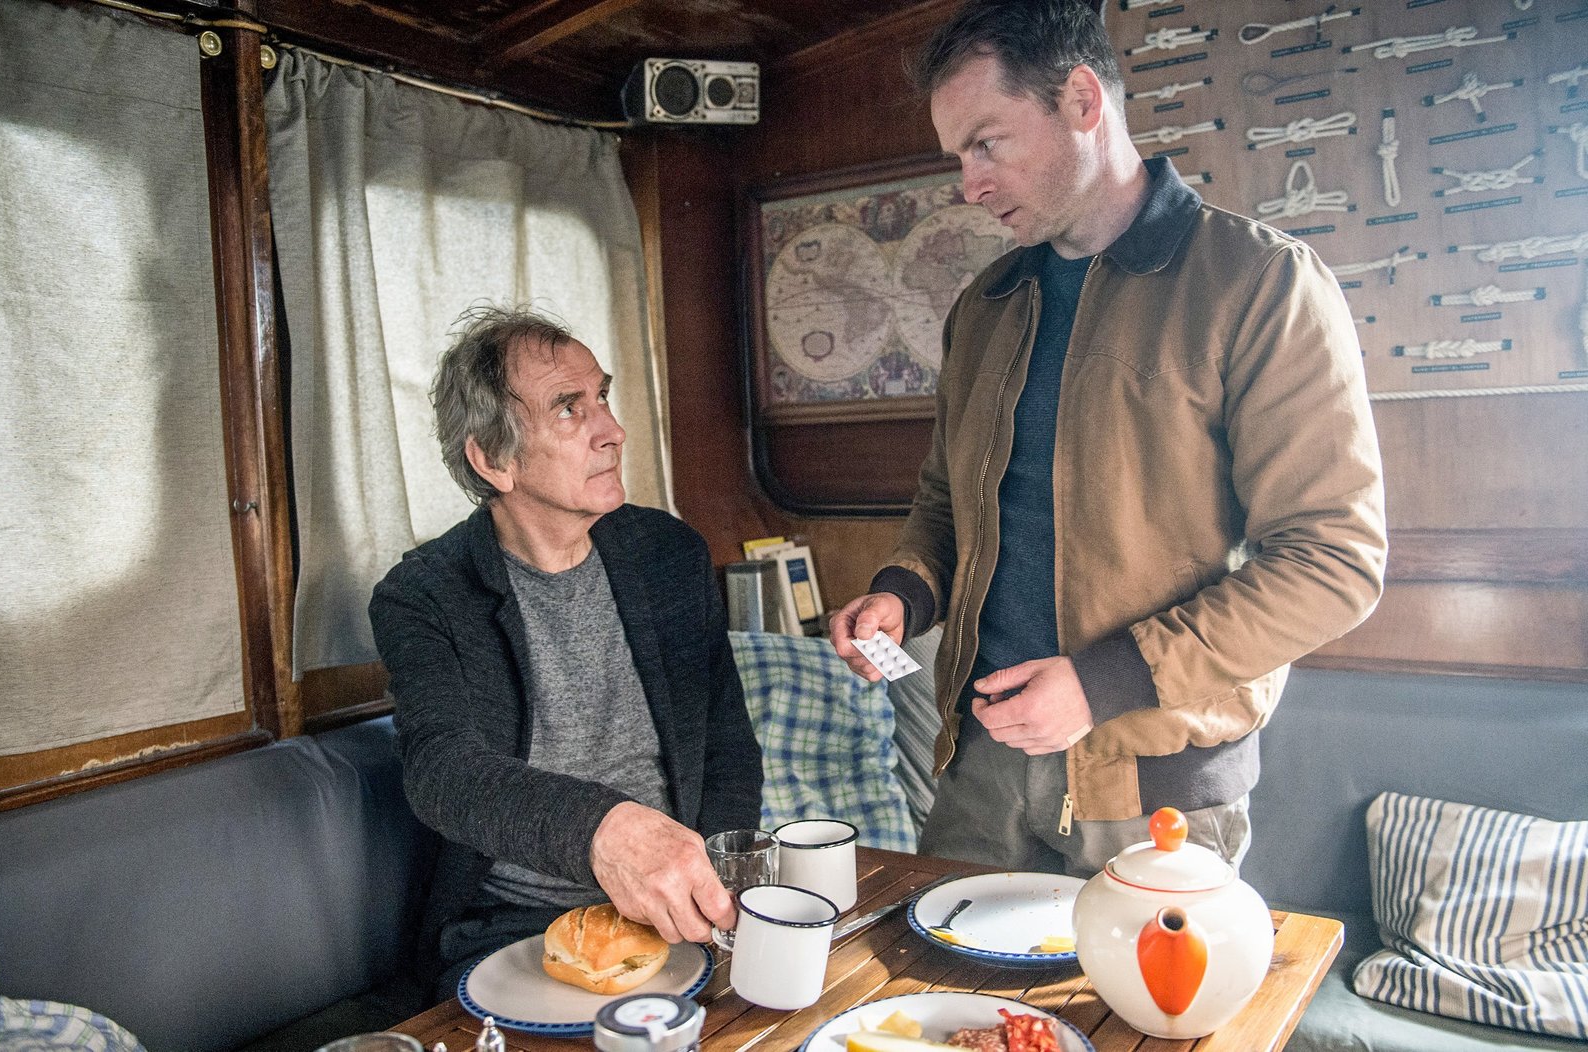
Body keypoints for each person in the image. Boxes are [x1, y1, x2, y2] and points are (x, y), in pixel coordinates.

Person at [831, 0, 1387, 877]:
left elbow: (1332, 563)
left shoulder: (1263, 283)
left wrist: (1102, 684)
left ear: (1083, 101)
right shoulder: (984, 306)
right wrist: (906, 593)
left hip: (1154, 791)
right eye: (958, 157)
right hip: (976, 773)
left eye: (987, 144)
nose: (970, 186)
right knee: (931, 977)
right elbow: (946, 500)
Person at [369, 305, 763, 997]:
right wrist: (606, 830)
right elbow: (442, 770)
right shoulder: (423, 595)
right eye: (568, 409)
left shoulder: (669, 554)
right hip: (514, 929)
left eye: (602, 397)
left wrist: (718, 888)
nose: (612, 431)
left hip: (681, 914)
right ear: (494, 460)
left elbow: (726, 744)